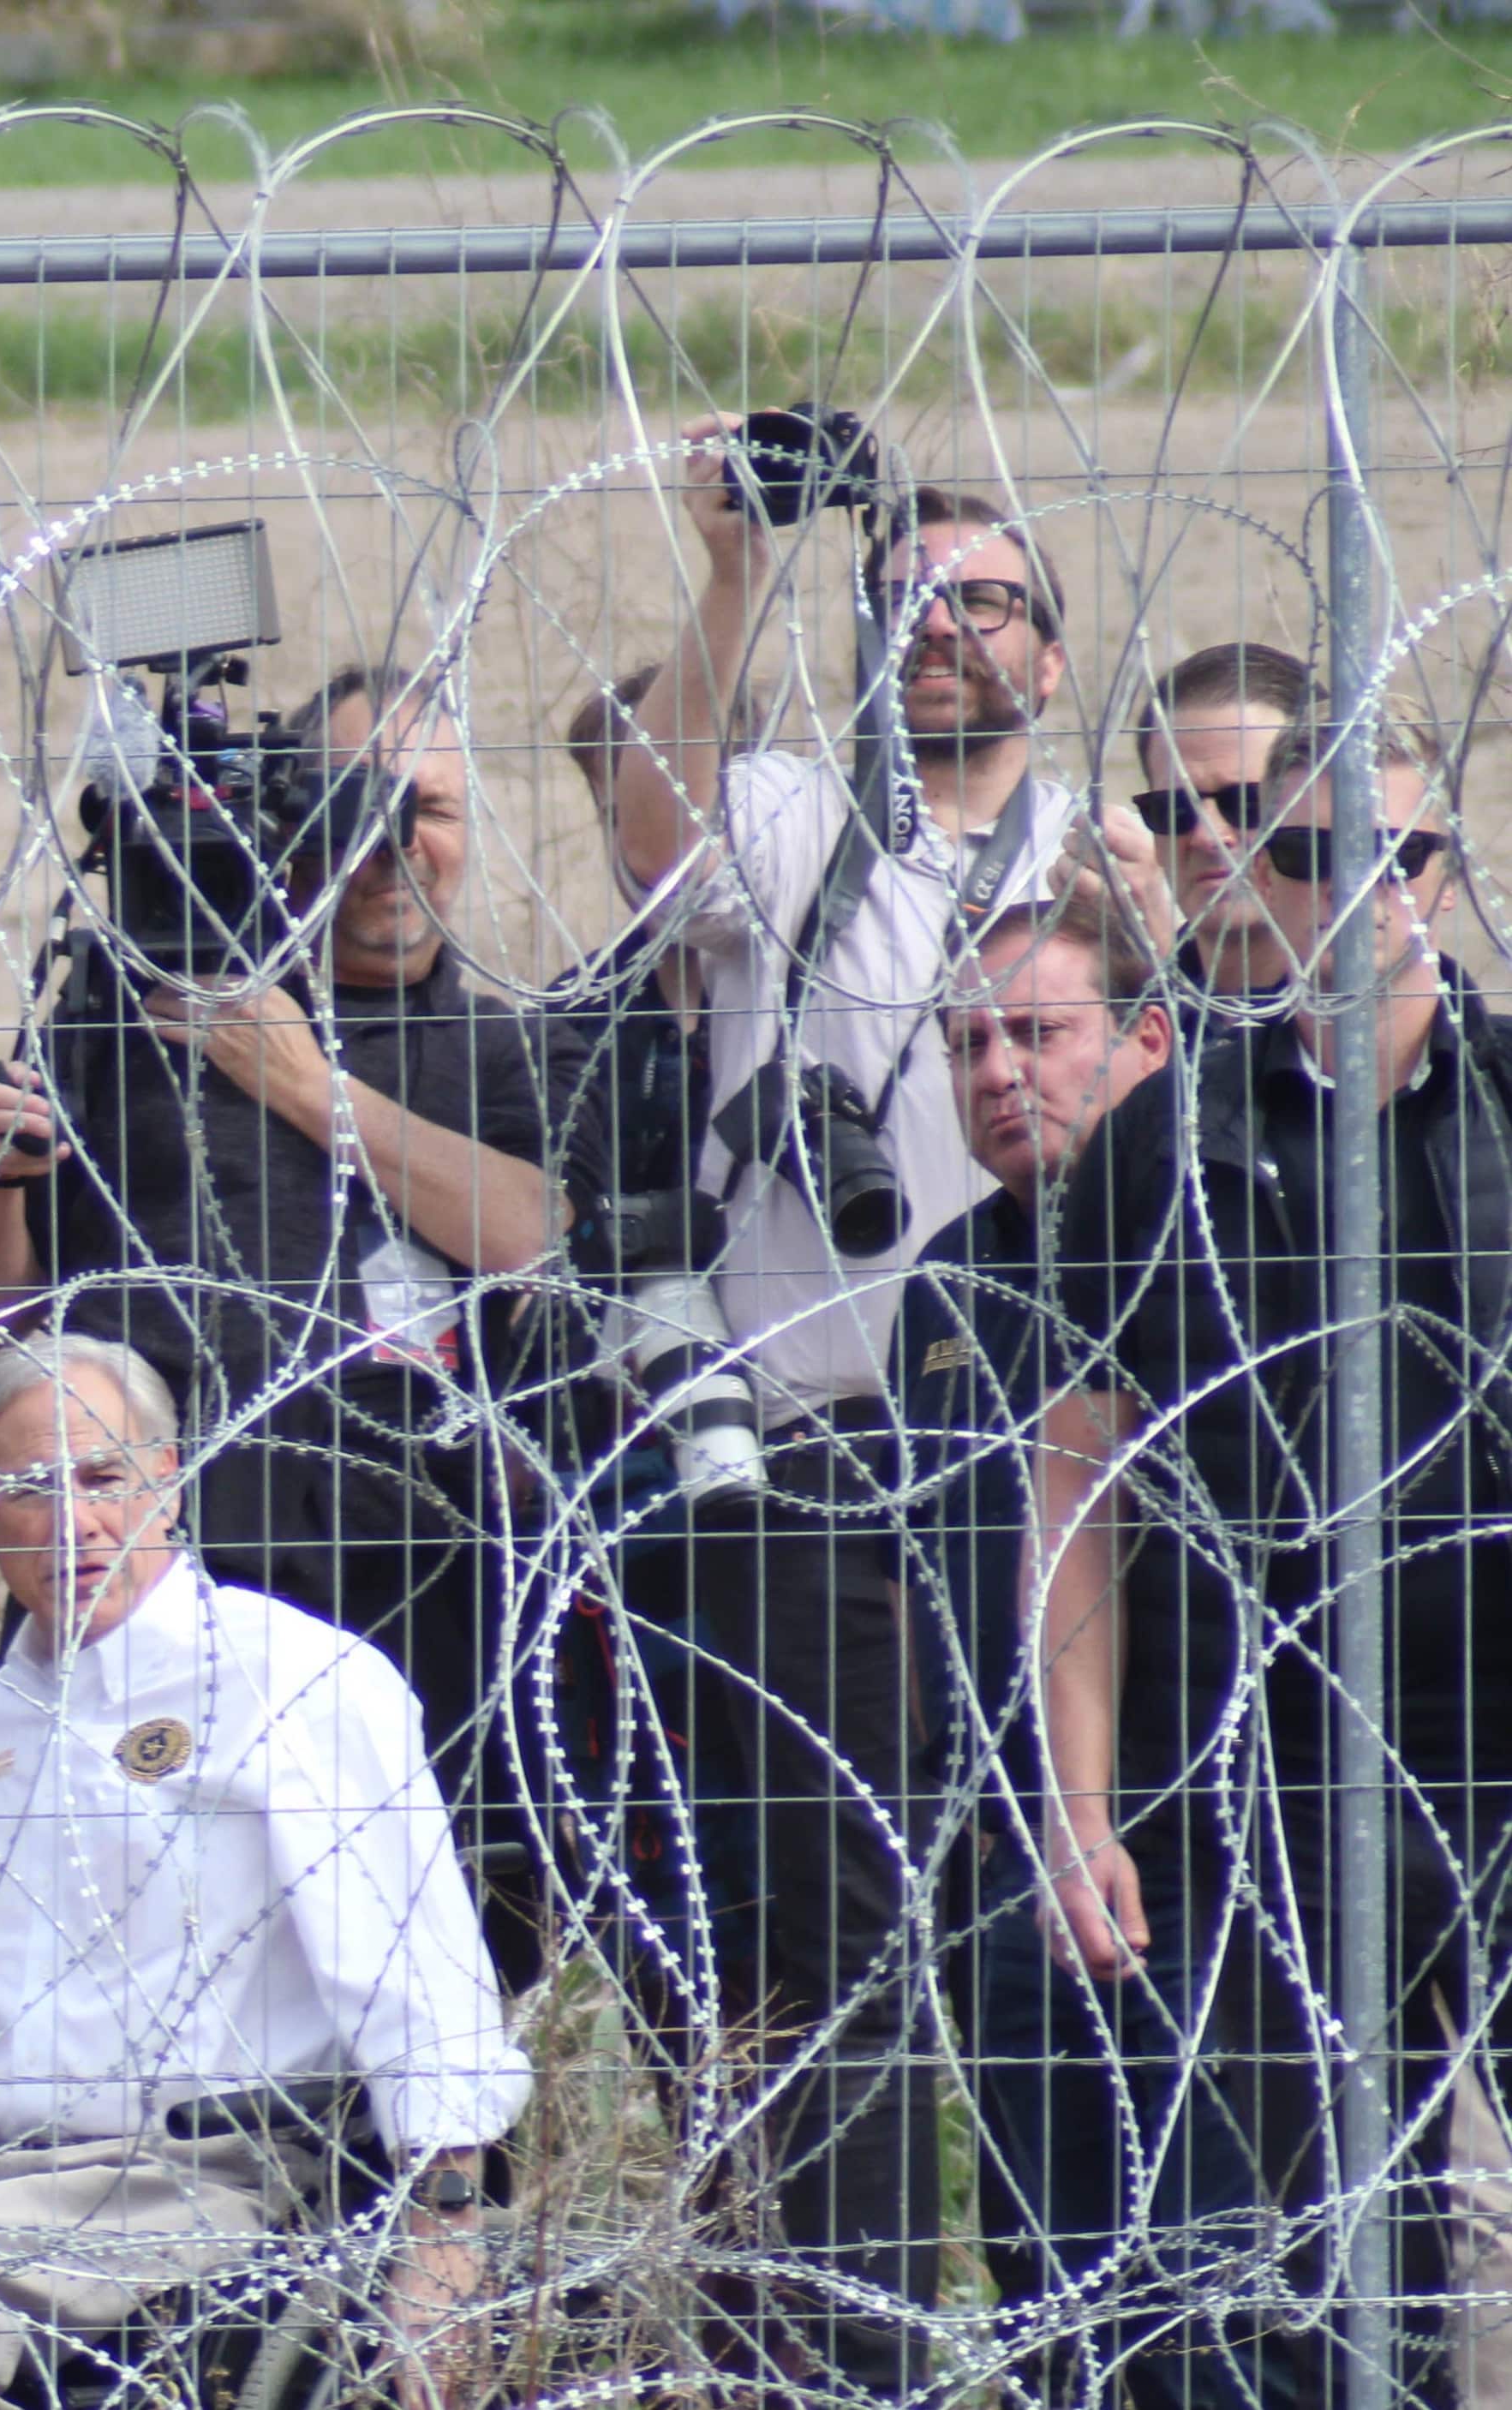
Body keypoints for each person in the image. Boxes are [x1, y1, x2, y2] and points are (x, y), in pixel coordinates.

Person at [598, 428, 1158, 2394]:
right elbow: (644, 836)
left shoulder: (1103, 850)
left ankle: (1084, 2333)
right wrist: (738, 568)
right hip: (818, 1446)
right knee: (820, 1961)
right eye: (908, 598)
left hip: (1056, 1445)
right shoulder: (784, 810)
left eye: (986, 599)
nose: (943, 629)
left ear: (1047, 646)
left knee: (1053, 1925)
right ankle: (830, 2365)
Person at [0, 1337, 529, 2410]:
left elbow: (418, 1977)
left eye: (102, 1478)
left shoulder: (290, 1675)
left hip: (207, 2167)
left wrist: (444, 2227)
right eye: (25, 1490)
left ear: (169, 1477)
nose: (71, 1525)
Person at [1050, 726, 1512, 2410]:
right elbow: (1075, 1484)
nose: (1362, 894)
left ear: (1443, 872)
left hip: (1496, 1728)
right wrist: (1078, 1792)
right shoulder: (1161, 1141)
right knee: (1330, 2247)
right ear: (1262, 868)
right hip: (1265, 1749)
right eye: (1318, 854)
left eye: (1400, 855)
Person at [0, 667, 551, 1849]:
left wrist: (307, 1085)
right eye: (358, 803)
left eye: (431, 808)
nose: (396, 843)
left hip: (410, 1555)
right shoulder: (131, 1007)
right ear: (284, 815)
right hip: (159, 1556)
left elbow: (528, 1235)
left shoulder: (488, 1041)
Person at [878, 895, 1180, 2365]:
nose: (999, 1071)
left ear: (1147, 1040)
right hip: (1000, 1841)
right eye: (969, 1043)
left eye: (1040, 1033)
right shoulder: (943, 1281)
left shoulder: (1211, 1245)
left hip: (1196, 1816)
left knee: (1212, 2260)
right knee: (1041, 2263)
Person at [1131, 640, 1306, 1005]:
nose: (1208, 836)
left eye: (1247, 802)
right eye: (1175, 808)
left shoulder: (1398, 1024)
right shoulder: (1120, 1024)